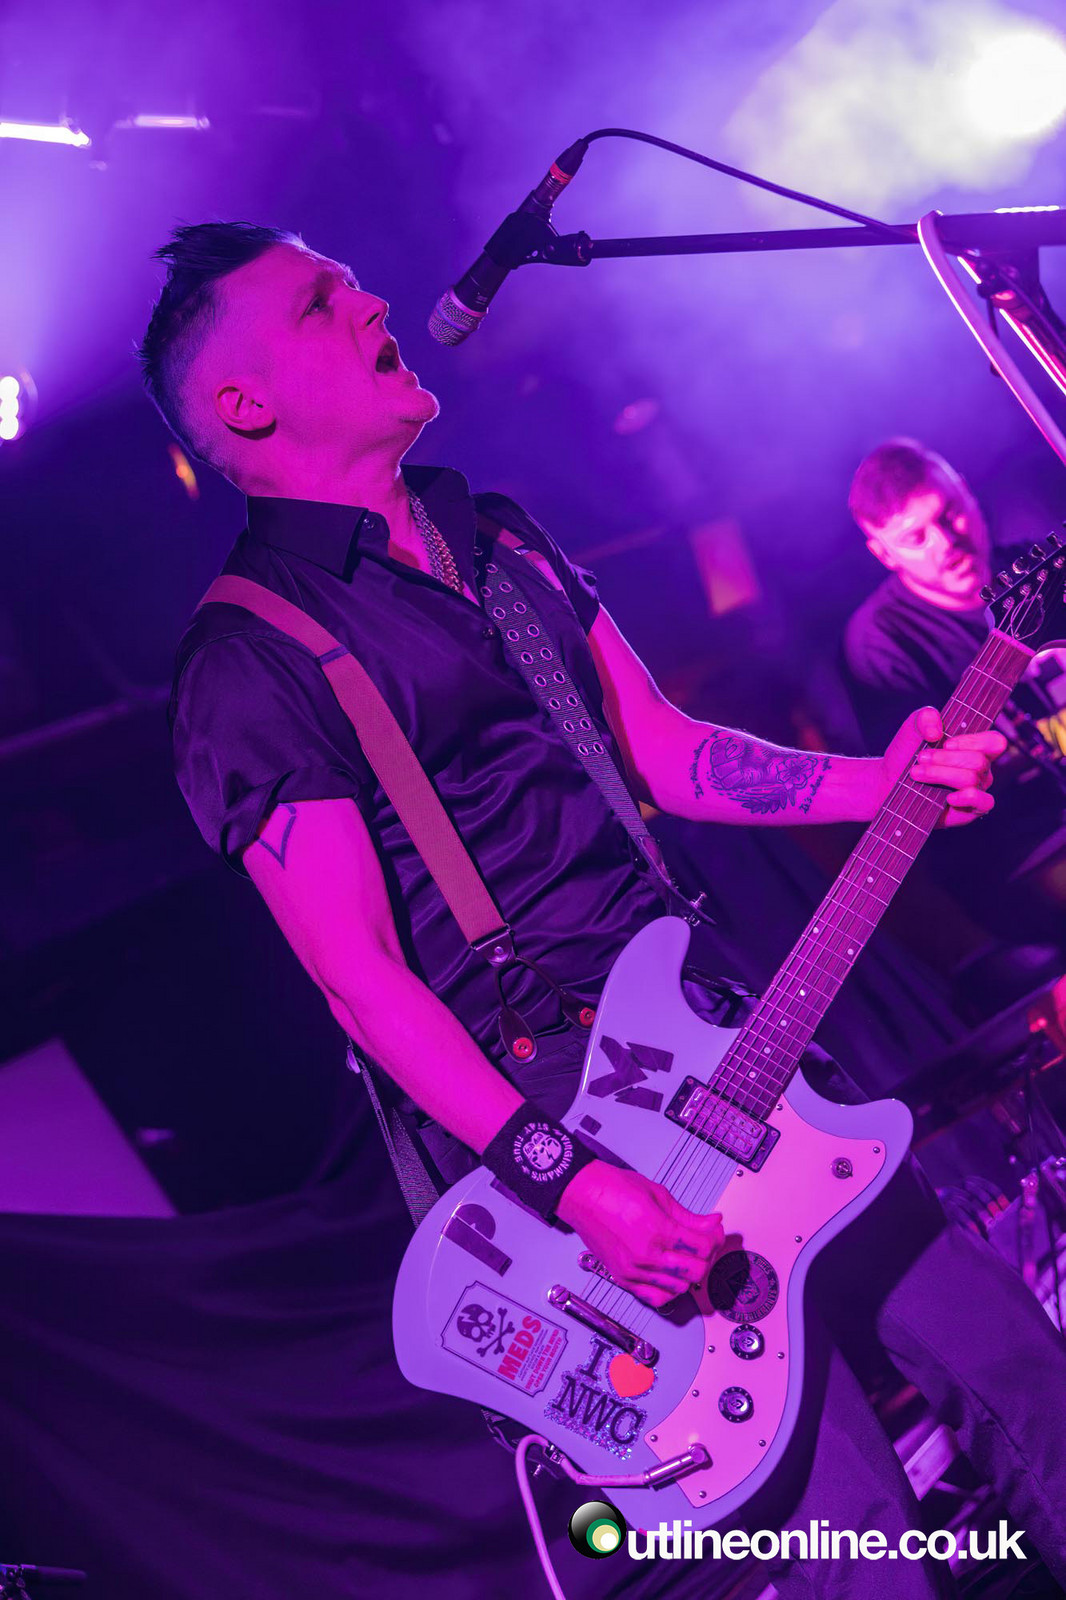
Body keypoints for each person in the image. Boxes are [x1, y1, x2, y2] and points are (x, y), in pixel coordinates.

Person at [143, 224, 1066, 1599]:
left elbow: (666, 752)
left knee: (1028, 1387)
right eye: (324, 301)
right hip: (565, 1123)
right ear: (247, 404)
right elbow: (360, 978)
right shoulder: (249, 658)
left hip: (726, 1047)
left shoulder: (493, 530)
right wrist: (573, 1185)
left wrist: (883, 781)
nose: (374, 297)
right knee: (864, 1544)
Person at [844, 437, 1066, 992]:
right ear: (884, 554)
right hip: (1021, 850)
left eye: (949, 515)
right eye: (915, 538)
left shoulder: (1040, 567)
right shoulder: (882, 644)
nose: (946, 543)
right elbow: (927, 788)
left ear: (966, 492)